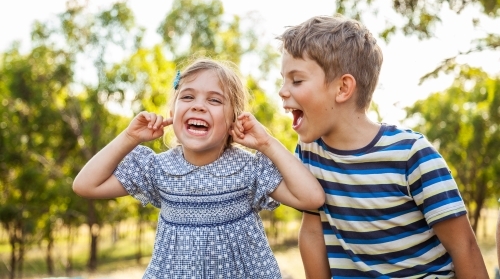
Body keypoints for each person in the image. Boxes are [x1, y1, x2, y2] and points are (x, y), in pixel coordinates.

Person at [277, 15, 489, 278]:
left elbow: (464, 247)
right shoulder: (310, 153)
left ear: (343, 88)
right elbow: (312, 232)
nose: (282, 91)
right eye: (283, 80)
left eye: (296, 80)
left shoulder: (412, 155)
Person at [72, 58, 325, 279]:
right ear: (173, 111)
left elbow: (312, 198)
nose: (198, 106)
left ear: (233, 121)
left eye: (214, 100)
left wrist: (267, 143)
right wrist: (129, 137)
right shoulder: (159, 169)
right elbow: (85, 185)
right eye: (188, 96)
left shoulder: (249, 169)